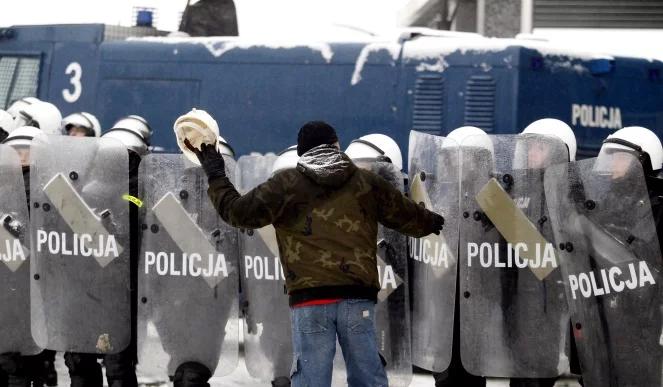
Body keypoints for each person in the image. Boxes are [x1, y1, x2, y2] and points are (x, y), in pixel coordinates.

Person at [187, 120, 443, 387]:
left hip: (310, 302)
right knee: (368, 378)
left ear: (302, 153)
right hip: (357, 300)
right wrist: (432, 221)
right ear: (336, 145)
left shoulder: (284, 185)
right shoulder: (366, 182)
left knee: (311, 380)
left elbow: (236, 212)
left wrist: (216, 173)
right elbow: (407, 215)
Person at [61, 115, 151, 387]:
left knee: (118, 365)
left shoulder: (140, 190)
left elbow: (136, 206)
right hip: (85, 287)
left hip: (121, 290)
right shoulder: (89, 187)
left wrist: (113, 211)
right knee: (79, 361)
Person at [1, 126, 59, 387]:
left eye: (27, 150)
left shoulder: (55, 188)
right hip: (9, 284)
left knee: (23, 361)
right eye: (15, 150)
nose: (21, 156)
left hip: (38, 283)